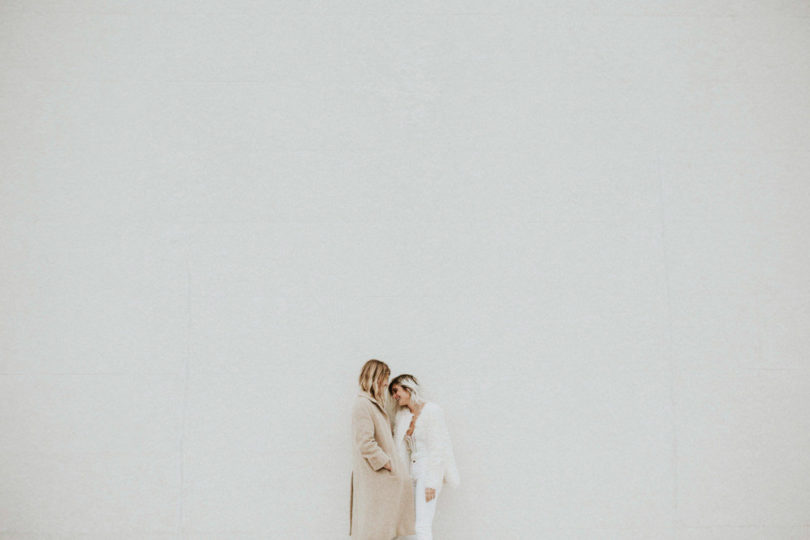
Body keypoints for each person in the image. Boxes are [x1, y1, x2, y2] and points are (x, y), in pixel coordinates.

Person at [350, 359, 415, 539]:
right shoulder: (362, 404)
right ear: (374, 377)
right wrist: (387, 463)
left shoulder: (372, 404)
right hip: (376, 481)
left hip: (383, 483)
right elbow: (365, 443)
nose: (387, 383)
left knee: (386, 532)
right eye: (384, 378)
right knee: (375, 532)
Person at [389, 374, 459, 540]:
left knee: (423, 524)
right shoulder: (403, 416)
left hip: (427, 471)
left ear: (408, 388)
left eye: (396, 390)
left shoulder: (432, 411)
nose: (394, 396)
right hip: (411, 474)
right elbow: (400, 450)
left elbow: (438, 448)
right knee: (411, 525)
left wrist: (432, 483)